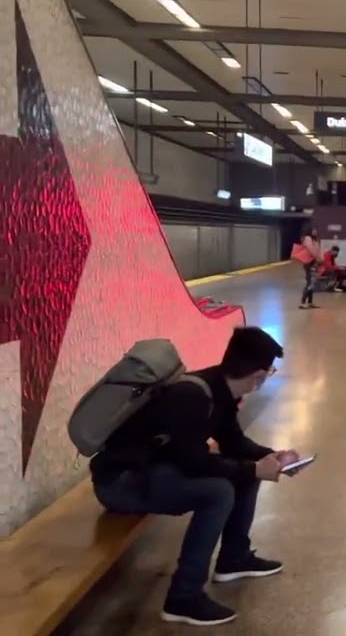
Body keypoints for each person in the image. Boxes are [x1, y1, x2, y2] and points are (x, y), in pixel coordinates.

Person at [89, 327, 300, 626]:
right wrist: (254, 468)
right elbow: (193, 462)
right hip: (120, 482)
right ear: (258, 375)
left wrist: (273, 457)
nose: (267, 377)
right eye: (269, 370)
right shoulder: (192, 395)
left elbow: (234, 443)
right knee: (219, 491)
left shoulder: (220, 388)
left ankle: (234, 558)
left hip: (153, 469)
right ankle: (183, 598)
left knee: (242, 469)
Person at [298, 227, 322, 309]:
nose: (315, 232)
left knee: (312, 283)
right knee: (309, 282)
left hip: (313, 262)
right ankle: (303, 302)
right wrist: (319, 258)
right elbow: (312, 250)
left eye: (316, 230)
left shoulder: (314, 239)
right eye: (313, 230)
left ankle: (310, 302)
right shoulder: (307, 239)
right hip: (309, 262)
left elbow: (317, 250)